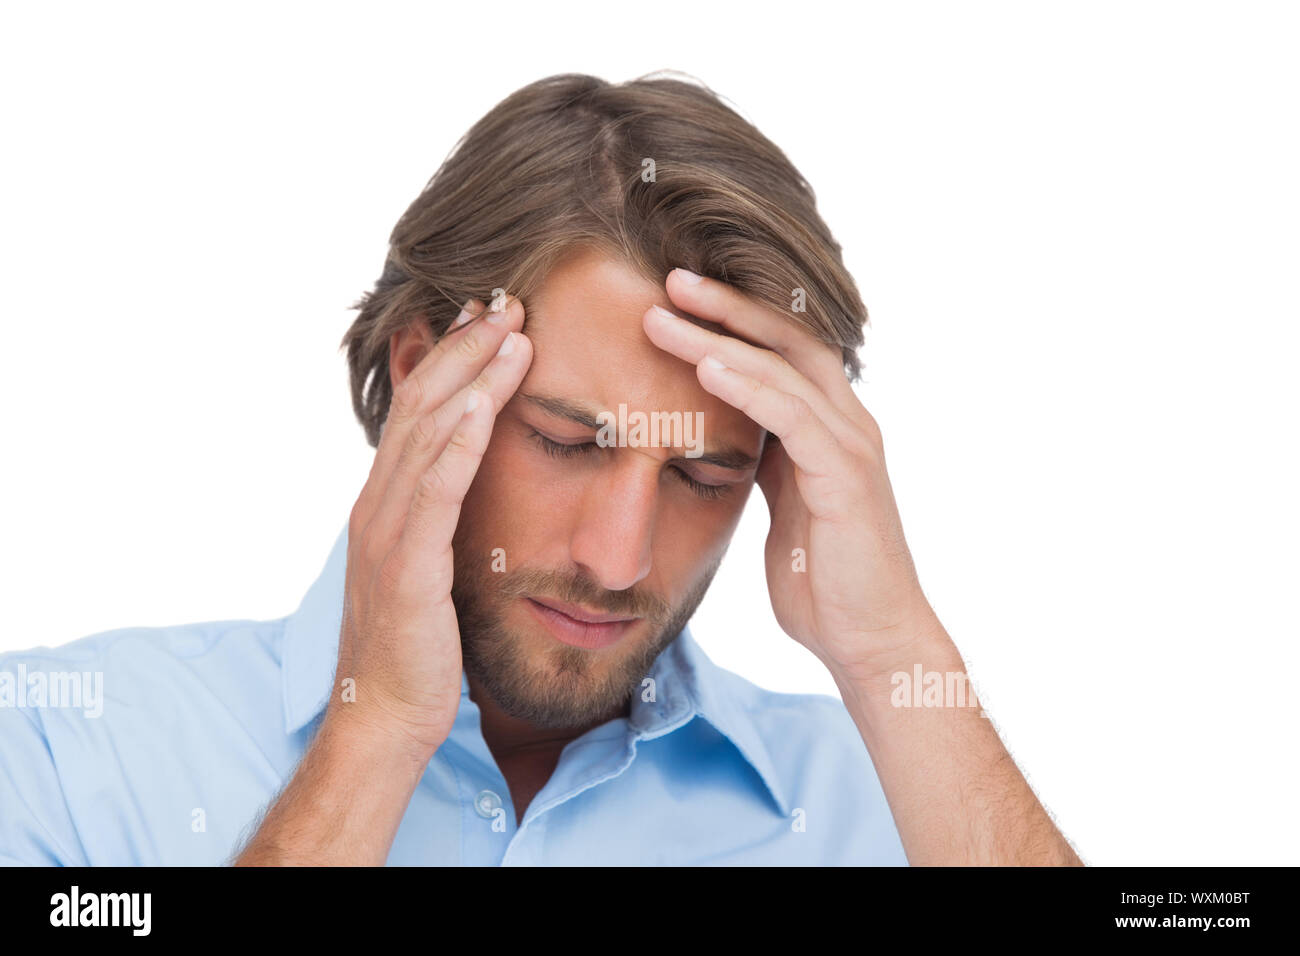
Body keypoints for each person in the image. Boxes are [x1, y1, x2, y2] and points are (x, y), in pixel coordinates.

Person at [0, 73, 1080, 866]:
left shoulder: (895, 805)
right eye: (569, 440)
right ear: (426, 376)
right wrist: (373, 730)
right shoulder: (59, 747)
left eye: (704, 474)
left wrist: (895, 657)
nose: (618, 559)